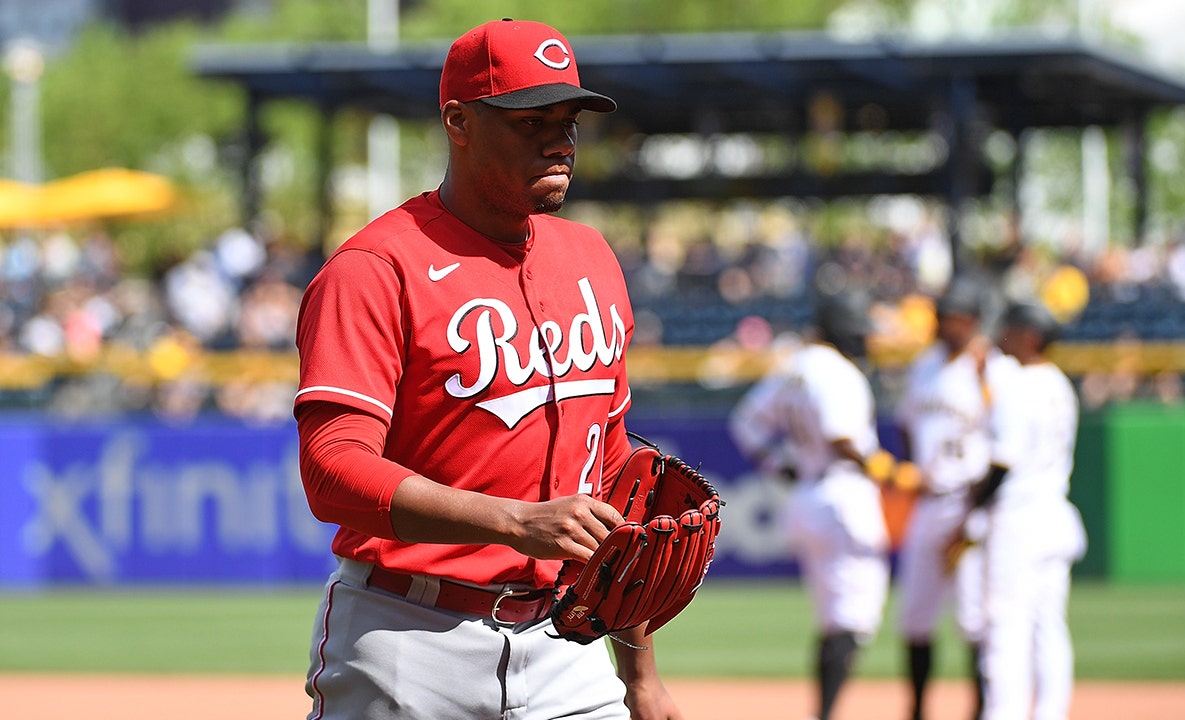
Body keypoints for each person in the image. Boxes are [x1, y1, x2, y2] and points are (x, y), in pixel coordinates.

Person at [292, 19, 684, 720]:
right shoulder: (376, 269)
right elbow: (332, 469)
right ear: (459, 121)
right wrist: (514, 522)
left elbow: (613, 477)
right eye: (531, 120)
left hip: (569, 642)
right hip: (408, 637)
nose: (559, 140)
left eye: (568, 120)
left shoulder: (591, 257)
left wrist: (641, 672)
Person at [728, 291, 892, 720]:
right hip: (843, 496)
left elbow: (746, 424)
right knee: (854, 620)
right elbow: (842, 436)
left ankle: (824, 710)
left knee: (833, 620)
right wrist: (883, 468)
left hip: (807, 495)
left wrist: (779, 466)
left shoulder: (794, 366)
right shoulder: (838, 371)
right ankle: (825, 714)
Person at [951, 302, 1087, 720]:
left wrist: (972, 506)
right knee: (1049, 626)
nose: (1003, 335)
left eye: (1011, 328)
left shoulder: (1020, 385)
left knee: (1005, 626)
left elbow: (1002, 462)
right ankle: (1051, 713)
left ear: (1031, 335)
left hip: (1020, 518)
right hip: (1055, 511)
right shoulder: (1059, 384)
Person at [893, 277, 997, 720]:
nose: (946, 323)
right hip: (930, 501)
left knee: (974, 617)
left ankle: (980, 712)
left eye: (955, 317)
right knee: (914, 616)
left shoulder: (987, 368)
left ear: (972, 321)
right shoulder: (924, 366)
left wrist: (979, 508)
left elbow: (1004, 441)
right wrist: (917, 467)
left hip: (971, 503)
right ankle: (917, 711)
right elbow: (904, 423)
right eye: (943, 315)